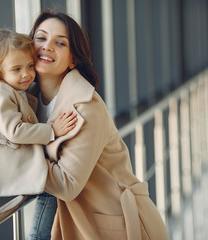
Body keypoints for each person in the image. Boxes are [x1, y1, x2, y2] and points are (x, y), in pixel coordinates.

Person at [27, 10, 169, 240]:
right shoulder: (27, 100)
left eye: (60, 43)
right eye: (41, 38)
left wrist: (20, 160)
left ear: (73, 59)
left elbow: (68, 183)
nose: (47, 46)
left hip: (120, 223)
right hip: (77, 222)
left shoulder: (86, 106)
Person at [0, 29, 77, 197]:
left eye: (30, 66)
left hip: (9, 160)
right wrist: (52, 130)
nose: (26, 74)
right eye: (16, 69)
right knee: (55, 189)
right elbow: (15, 131)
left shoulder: (15, 87)